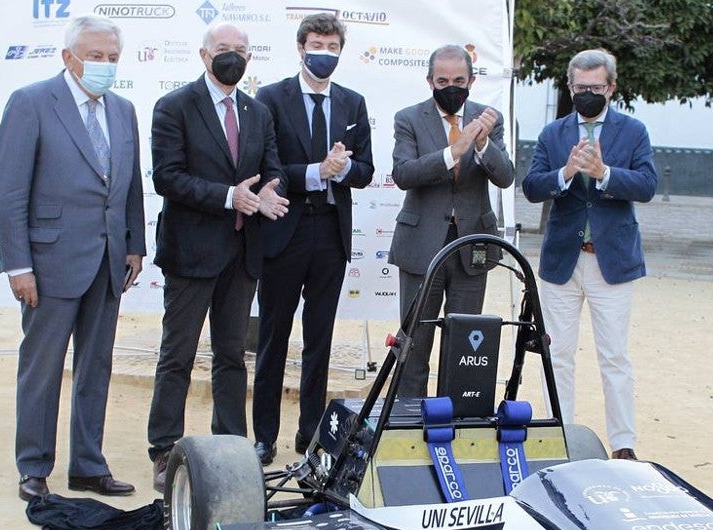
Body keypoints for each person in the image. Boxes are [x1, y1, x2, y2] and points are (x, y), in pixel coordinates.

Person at [0, 14, 145, 502]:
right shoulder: (32, 103)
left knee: (96, 367)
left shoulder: (123, 110)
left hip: (108, 262)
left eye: (112, 58)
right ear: (68, 57)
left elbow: (130, 185)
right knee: (42, 368)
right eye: (95, 56)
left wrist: (135, 245)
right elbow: (9, 190)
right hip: (50, 263)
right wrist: (19, 265)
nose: (104, 66)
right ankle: (34, 466)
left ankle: (88, 465)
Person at [146, 22, 288, 490]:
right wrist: (229, 197)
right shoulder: (174, 106)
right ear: (204, 56)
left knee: (231, 356)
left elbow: (273, 170)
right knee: (178, 355)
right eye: (224, 49)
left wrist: (269, 195)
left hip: (243, 252)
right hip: (191, 252)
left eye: (241, 50)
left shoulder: (257, 110)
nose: (233, 56)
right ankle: (164, 450)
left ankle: (230, 448)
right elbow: (167, 177)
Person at [522, 49, 657, 461]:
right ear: (570, 87)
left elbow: (647, 184)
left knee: (613, 355)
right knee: (557, 354)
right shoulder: (554, 133)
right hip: (562, 260)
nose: (587, 95)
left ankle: (623, 443)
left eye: (596, 88)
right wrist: (565, 173)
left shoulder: (633, 132)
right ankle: (559, 434)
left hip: (611, 261)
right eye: (580, 89)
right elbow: (531, 186)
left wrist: (605, 174)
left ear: (611, 87)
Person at [251, 14, 373, 465]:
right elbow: (268, 165)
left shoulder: (352, 103)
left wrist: (344, 170)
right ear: (301, 48)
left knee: (319, 339)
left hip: (332, 234)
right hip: (285, 228)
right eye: (317, 44)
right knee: (273, 336)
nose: (324, 52)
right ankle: (264, 436)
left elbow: (367, 171)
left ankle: (311, 433)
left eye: (333, 45)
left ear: (341, 50)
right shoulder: (271, 98)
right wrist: (312, 173)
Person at [388, 45, 515, 397]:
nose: (451, 86)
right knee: (414, 341)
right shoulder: (408, 118)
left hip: (472, 246)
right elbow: (404, 174)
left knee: (465, 346)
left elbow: (505, 177)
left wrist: (483, 143)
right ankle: (409, 420)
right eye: (442, 80)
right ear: (429, 80)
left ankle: (455, 423)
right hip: (421, 246)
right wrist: (452, 152)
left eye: (459, 80)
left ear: (472, 80)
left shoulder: (490, 118)